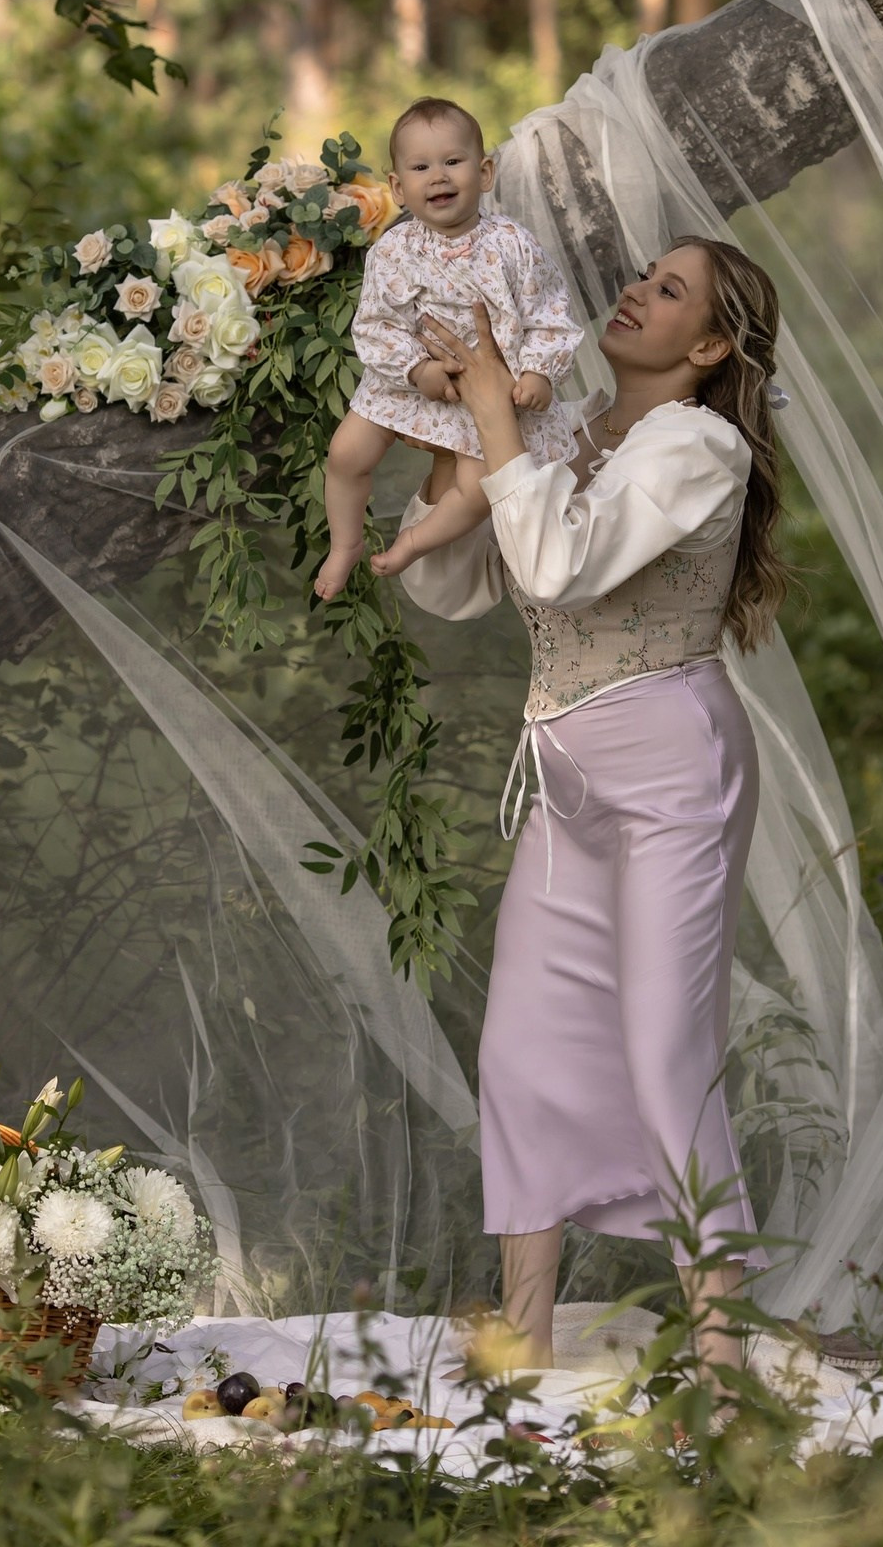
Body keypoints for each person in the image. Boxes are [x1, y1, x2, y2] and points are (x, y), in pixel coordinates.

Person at [396, 236, 788, 1388]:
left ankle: (720, 1352)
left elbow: (561, 567)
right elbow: (451, 582)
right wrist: (458, 432)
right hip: (566, 780)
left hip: (672, 772)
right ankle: (523, 1330)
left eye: (671, 292)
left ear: (709, 346)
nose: (636, 292)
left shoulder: (699, 446)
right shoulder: (565, 430)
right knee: (522, 1046)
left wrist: (497, 421)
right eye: (641, 276)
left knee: (665, 1056)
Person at [313, 98, 582, 601]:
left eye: (452, 162)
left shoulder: (513, 244)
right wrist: (416, 369)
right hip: (410, 378)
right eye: (420, 167)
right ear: (398, 187)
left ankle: (417, 540)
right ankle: (345, 542)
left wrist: (539, 372)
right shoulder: (393, 250)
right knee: (346, 453)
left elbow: (549, 314)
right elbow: (374, 323)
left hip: (486, 394)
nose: (438, 176)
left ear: (484, 173)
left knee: (481, 487)